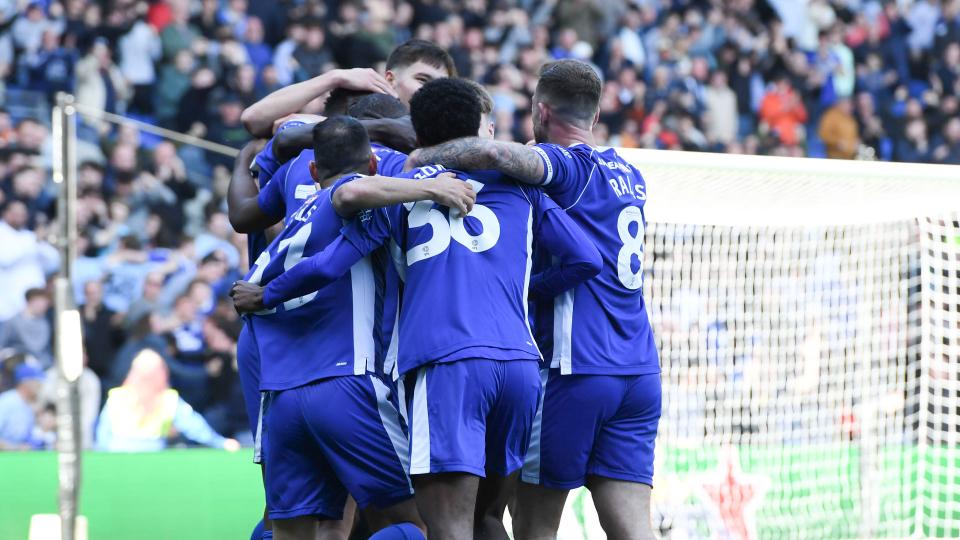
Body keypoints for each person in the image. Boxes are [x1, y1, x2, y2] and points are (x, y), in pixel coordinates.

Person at [232, 78, 602, 540]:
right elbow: (587, 259)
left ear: (417, 133)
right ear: (479, 128)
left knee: (441, 527)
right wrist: (520, 292)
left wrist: (268, 293)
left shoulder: (399, 189)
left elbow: (329, 261)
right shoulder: (522, 187)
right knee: (488, 518)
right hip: (519, 365)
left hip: (443, 364)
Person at [407, 60, 662, 540]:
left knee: (532, 525)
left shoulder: (565, 166)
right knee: (633, 527)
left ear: (540, 111)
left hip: (576, 365)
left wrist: (420, 161)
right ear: (598, 109)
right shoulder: (628, 172)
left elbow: (491, 152)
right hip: (639, 370)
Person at [234, 116, 480, 540]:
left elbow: (321, 263)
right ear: (371, 164)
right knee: (416, 525)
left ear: (313, 171)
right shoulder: (361, 205)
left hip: (282, 396)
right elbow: (348, 193)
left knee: (289, 531)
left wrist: (266, 294)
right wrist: (435, 186)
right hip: (346, 382)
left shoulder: (300, 215)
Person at [240, 39, 456, 138]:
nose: (432, 91)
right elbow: (253, 118)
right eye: (422, 79)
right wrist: (335, 77)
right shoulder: (358, 112)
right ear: (389, 80)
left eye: (440, 85)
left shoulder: (447, 139)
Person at [95, 349, 240, 452]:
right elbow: (102, 437)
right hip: (125, 458)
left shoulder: (167, 399)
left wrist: (221, 443)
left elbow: (195, 427)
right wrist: (221, 443)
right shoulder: (118, 398)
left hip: (146, 457)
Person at [0, 288, 53, 368]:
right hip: (19, 366)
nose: (43, 306)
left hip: (45, 366)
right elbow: (2, 345)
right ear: (31, 301)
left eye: (46, 304)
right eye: (40, 302)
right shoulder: (13, 322)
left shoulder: (46, 321)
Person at [0, 363, 45, 450]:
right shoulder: (7, 402)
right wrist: (15, 448)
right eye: (37, 382)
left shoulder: (29, 405)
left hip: (20, 458)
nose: (40, 386)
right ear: (26, 384)